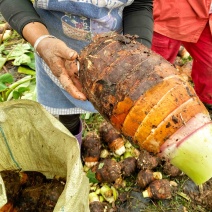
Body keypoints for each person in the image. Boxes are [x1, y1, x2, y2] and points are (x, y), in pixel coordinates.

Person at [0, 0, 153, 144]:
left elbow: (139, 4)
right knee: (65, 117)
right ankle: (71, 150)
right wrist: (41, 41)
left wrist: (136, 57)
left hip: (114, 64)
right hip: (55, 59)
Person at [151, 0, 212, 112]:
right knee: (156, 68)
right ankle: (151, 106)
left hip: (207, 14)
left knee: (209, 62)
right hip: (173, 10)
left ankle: (206, 103)